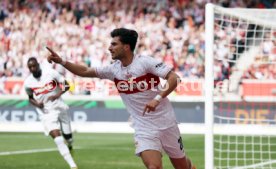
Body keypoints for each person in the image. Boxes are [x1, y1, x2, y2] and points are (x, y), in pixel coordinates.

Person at [47, 28, 195, 169]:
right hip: (143, 127)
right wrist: (62, 61)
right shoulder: (114, 70)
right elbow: (85, 71)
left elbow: (174, 78)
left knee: (182, 166)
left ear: (126, 47)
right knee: (153, 166)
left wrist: (157, 99)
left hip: (166, 123)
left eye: (114, 44)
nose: (109, 48)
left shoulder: (145, 62)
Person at [24, 57, 78, 169]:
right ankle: (73, 165)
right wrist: (37, 104)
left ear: (38, 64)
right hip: (47, 112)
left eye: (34, 66)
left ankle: (70, 144)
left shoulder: (50, 72)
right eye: (30, 67)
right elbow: (30, 98)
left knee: (68, 137)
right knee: (58, 138)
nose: (33, 68)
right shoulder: (28, 83)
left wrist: (57, 95)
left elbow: (67, 85)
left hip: (60, 106)